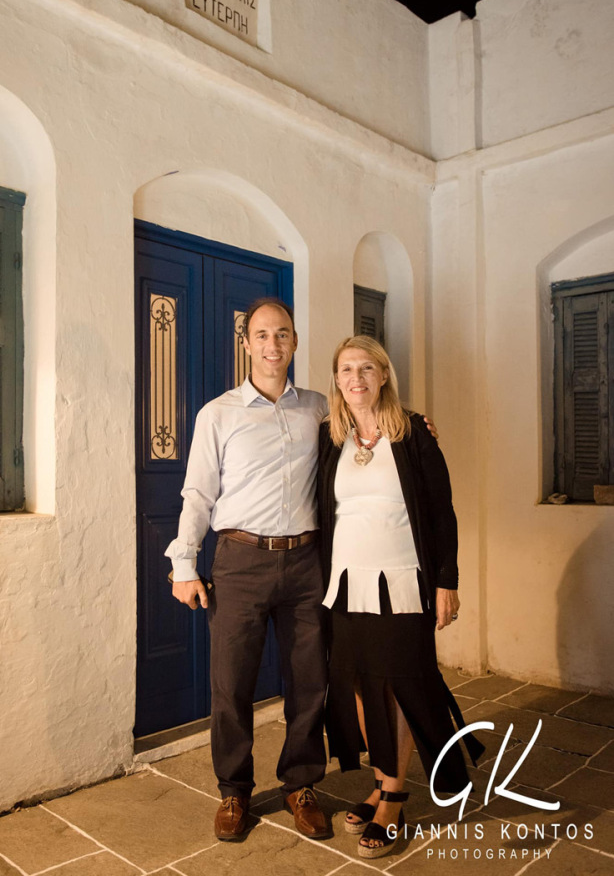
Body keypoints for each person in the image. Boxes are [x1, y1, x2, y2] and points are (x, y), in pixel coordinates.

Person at [166, 297, 331, 841]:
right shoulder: (217, 414)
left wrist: (415, 429)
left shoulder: (319, 408)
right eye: (262, 335)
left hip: (306, 562)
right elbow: (198, 493)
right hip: (239, 561)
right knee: (231, 682)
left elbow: (369, 433)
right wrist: (184, 563)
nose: (272, 344)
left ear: (294, 342)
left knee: (309, 680)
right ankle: (234, 791)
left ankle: (301, 784)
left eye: (282, 334)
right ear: (246, 344)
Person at [317, 335, 484, 859]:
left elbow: (441, 512)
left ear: (384, 375)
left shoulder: (413, 434)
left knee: (401, 688)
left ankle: (393, 797)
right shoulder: (331, 436)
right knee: (361, 688)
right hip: (346, 584)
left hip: (403, 584)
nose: (357, 378)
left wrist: (447, 580)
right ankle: (380, 780)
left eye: (367, 368)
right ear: (337, 380)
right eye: (347, 369)